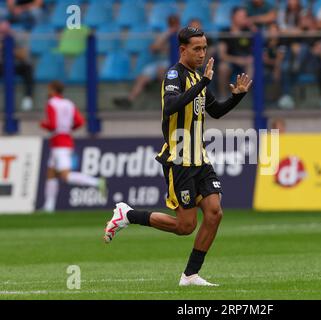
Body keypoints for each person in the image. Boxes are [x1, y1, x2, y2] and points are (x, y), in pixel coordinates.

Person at [103, 26, 253, 287]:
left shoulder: (198, 77)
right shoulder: (174, 74)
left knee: (215, 213)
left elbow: (215, 111)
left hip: (200, 159)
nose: (202, 53)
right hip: (179, 160)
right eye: (197, 49)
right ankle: (128, 215)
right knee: (186, 227)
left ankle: (190, 275)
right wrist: (205, 82)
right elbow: (172, 105)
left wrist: (237, 97)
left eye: (205, 48)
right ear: (182, 49)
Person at [40, 81, 107, 213]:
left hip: (60, 143)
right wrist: (69, 128)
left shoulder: (51, 103)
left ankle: (96, 182)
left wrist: (43, 125)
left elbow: (52, 125)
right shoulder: (69, 103)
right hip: (64, 140)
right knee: (51, 173)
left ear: (53, 89)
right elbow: (80, 121)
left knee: (65, 176)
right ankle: (49, 206)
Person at [113, 15, 180, 109]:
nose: (173, 26)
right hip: (160, 63)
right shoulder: (165, 34)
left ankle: (169, 100)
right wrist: (167, 36)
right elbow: (153, 48)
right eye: (171, 24)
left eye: (174, 23)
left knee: (161, 71)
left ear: (178, 24)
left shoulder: (182, 35)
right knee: (143, 76)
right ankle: (129, 99)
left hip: (174, 64)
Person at [218, 7, 254, 99]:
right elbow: (222, 55)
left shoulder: (248, 31)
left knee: (251, 66)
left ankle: (241, 96)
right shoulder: (225, 32)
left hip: (245, 62)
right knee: (223, 67)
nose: (244, 18)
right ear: (233, 17)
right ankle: (223, 96)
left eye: (245, 16)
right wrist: (238, 60)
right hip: (231, 61)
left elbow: (256, 49)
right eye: (241, 16)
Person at [0, 20, 34, 110]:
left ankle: (28, 98)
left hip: (17, 66)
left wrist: (9, 49)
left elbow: (24, 55)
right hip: (2, 66)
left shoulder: (18, 38)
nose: (3, 34)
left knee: (28, 68)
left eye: (5, 32)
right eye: (2, 32)